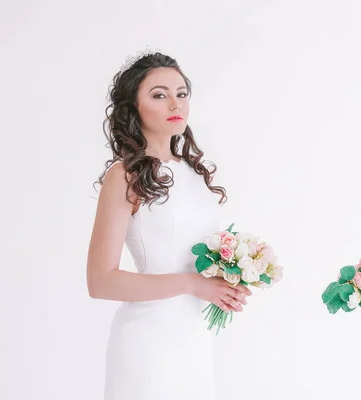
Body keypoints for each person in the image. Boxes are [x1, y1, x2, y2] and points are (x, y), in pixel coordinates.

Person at [86, 50, 251, 400]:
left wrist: (229, 278)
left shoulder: (194, 173)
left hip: (193, 335)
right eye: (159, 95)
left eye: (181, 93)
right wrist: (192, 284)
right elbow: (100, 280)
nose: (175, 103)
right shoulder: (126, 176)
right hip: (147, 341)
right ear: (134, 107)